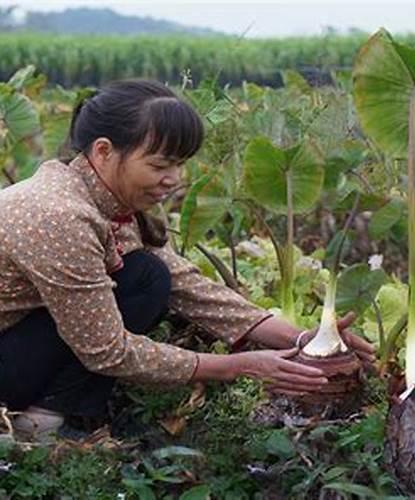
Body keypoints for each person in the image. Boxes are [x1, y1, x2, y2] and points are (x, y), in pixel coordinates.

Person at [0, 80, 375, 441]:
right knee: (144, 279)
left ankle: (57, 412)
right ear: (103, 151)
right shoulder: (59, 217)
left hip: (17, 341)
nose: (174, 179)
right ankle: (39, 424)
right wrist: (239, 367)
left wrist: (305, 340)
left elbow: (187, 286)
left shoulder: (102, 197)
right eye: (160, 165)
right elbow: (107, 350)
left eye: (180, 165)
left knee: (148, 276)